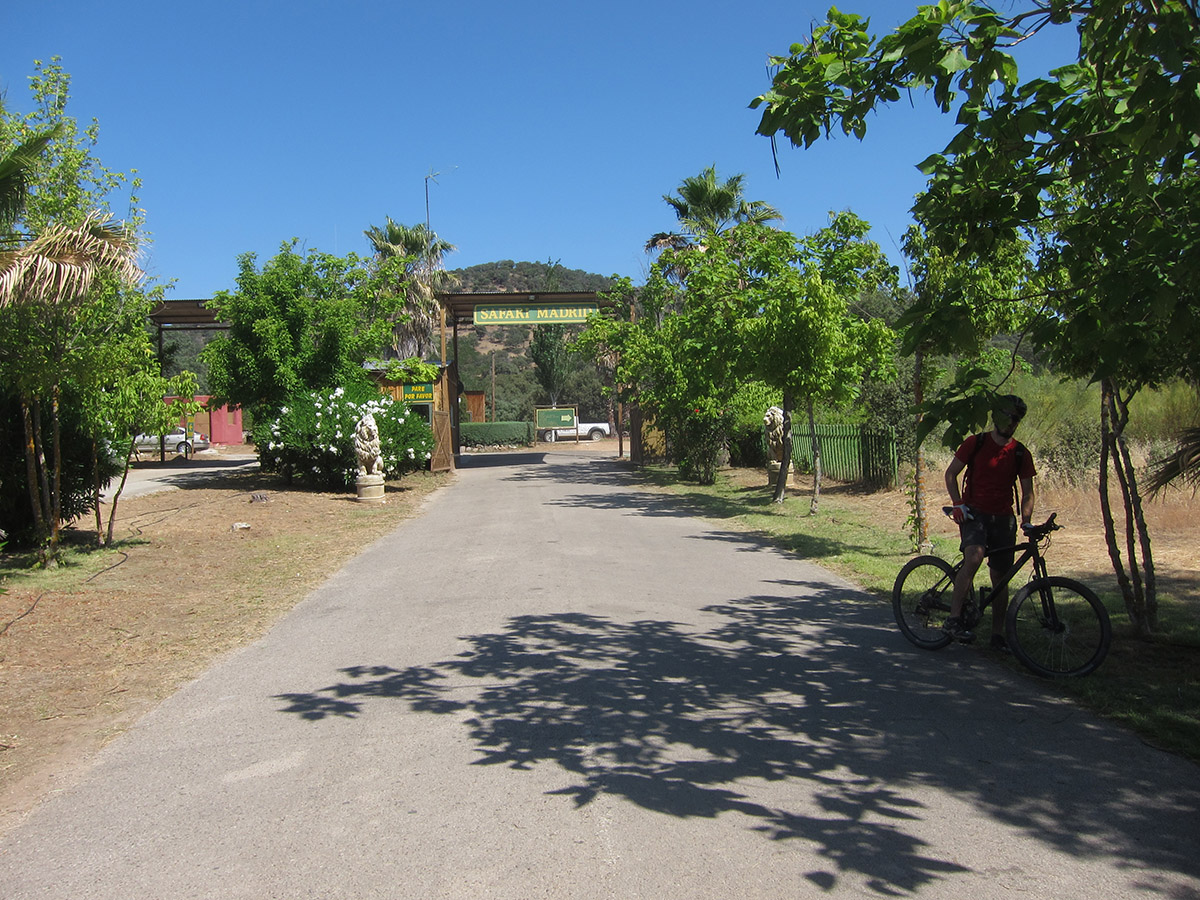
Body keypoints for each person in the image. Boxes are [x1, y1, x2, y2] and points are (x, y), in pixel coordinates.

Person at [942, 395, 1036, 650]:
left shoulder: (1019, 452)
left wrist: (1026, 521)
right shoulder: (977, 442)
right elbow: (951, 474)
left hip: (1004, 520)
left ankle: (997, 635)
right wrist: (958, 503)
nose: (1011, 422)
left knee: (1000, 577)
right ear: (996, 417)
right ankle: (953, 619)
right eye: (1007, 416)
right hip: (975, 514)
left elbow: (1028, 491)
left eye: (1016, 419)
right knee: (974, 557)